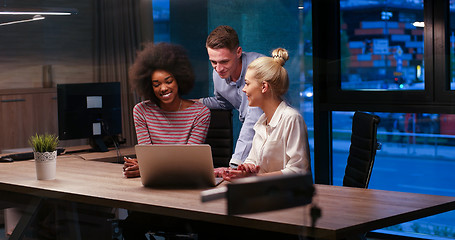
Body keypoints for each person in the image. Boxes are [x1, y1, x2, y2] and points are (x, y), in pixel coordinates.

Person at [123, 42, 211, 178]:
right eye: (156, 84)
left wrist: (146, 166)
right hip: (154, 181)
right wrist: (142, 164)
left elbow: (189, 160)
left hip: (186, 180)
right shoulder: (141, 111)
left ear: (179, 80)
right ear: (149, 86)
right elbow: (147, 156)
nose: (163, 88)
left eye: (168, 81)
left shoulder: (200, 113)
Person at [222, 48, 311, 181]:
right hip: (265, 192)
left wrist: (257, 177)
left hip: (287, 195)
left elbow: (298, 170)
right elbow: (252, 160)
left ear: (264, 87)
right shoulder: (262, 121)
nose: (244, 89)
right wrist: (245, 170)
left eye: (247, 83)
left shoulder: (291, 118)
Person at [200, 25, 264, 171]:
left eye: (224, 61)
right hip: (252, 144)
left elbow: (254, 118)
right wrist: (192, 103)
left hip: (275, 138)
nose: (218, 68)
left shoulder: (259, 67)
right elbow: (223, 103)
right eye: (213, 62)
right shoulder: (218, 73)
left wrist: (234, 164)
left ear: (238, 52)